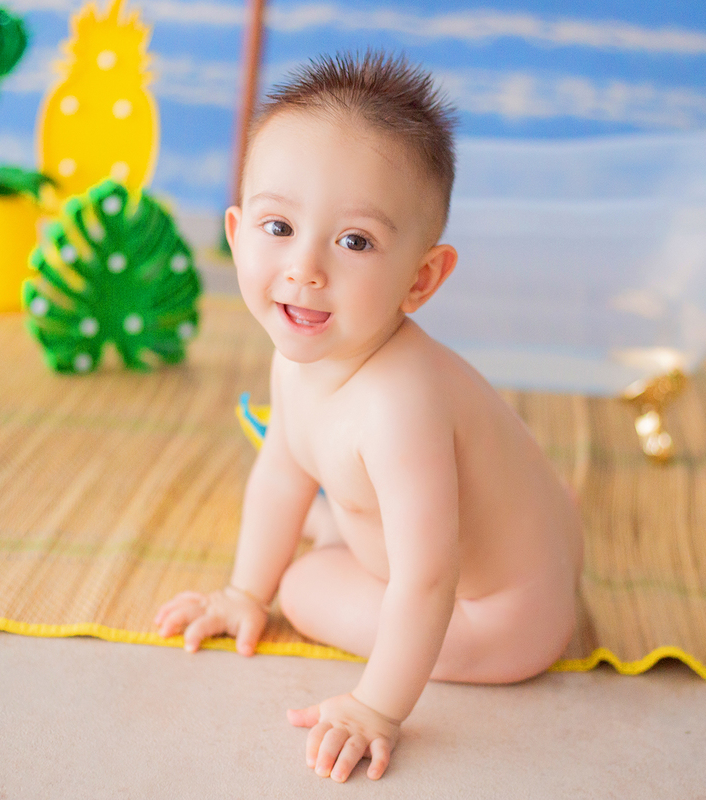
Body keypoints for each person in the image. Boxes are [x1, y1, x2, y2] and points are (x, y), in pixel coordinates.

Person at [154, 51, 583, 783]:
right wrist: (241, 593)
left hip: (501, 611)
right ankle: (336, 533)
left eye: (354, 242)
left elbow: (427, 578)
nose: (305, 268)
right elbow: (282, 469)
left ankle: (340, 556)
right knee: (311, 520)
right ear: (235, 232)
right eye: (278, 226)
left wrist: (376, 706)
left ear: (420, 278)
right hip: (502, 546)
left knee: (307, 586)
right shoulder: (300, 353)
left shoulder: (399, 404)